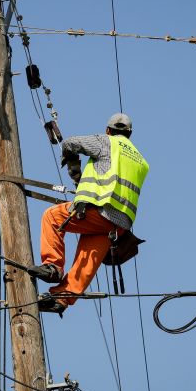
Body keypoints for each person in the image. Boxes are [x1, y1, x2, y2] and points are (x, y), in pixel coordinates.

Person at [28, 113, 149, 314]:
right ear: (130, 134)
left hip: (100, 211)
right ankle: (62, 298)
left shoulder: (106, 141)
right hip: (119, 225)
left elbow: (70, 144)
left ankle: (53, 267)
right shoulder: (141, 161)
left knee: (52, 216)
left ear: (108, 130)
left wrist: (75, 170)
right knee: (88, 257)